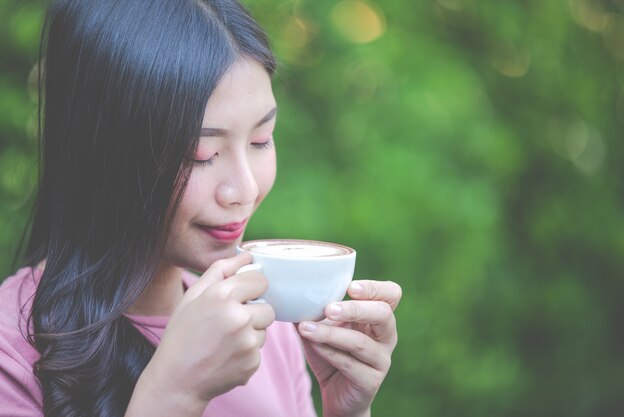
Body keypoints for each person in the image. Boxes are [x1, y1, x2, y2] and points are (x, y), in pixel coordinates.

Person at [0, 0, 402, 416]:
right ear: (106, 152)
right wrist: (173, 395)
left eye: (262, 139)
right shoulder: (11, 357)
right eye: (201, 152)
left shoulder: (263, 324)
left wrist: (348, 411)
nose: (244, 189)